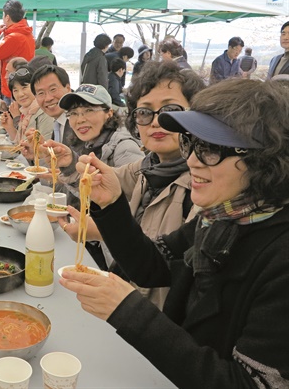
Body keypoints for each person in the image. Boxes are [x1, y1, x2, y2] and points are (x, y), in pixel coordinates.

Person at [61, 79, 289, 388]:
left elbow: (246, 382)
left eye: (210, 149)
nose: (193, 159)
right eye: (191, 143)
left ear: (265, 159)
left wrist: (129, 312)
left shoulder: (278, 257)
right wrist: (113, 204)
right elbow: (154, 266)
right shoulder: (223, 217)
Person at [59, 61, 206, 306]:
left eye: (171, 110)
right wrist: (70, 162)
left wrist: (98, 230)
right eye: (145, 112)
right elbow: (107, 179)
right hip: (123, 298)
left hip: (153, 318)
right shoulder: (148, 165)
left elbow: (164, 268)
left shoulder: (204, 187)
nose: (157, 122)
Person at [48, 84, 143, 211]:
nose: (80, 120)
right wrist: (69, 167)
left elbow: (137, 203)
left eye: (89, 110)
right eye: (73, 113)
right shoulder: (85, 143)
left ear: (108, 113)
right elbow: (87, 193)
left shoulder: (124, 147)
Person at [0, 0, 35, 102]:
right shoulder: (28, 34)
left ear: (7, 17)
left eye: (3, 16)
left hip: (13, 88)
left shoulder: (13, 37)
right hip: (24, 86)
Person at [0, 64, 53, 143]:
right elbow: (20, 145)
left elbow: (45, 149)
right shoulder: (26, 112)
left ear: (35, 87)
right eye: (15, 90)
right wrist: (9, 127)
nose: (20, 94)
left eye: (24, 87)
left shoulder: (45, 112)